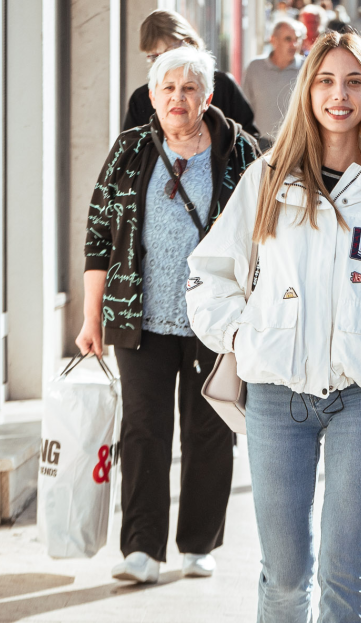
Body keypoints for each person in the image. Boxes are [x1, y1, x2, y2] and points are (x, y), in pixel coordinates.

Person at [186, 31, 361, 622]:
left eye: (354, 81)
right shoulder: (267, 180)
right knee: (285, 575)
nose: (340, 95)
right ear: (308, 92)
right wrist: (242, 336)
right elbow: (207, 275)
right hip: (277, 397)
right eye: (327, 81)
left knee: (341, 571)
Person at [77, 45, 260, 584]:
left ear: (207, 96)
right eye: (168, 88)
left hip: (216, 322)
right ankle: (141, 549)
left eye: (189, 89)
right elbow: (98, 234)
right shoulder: (130, 149)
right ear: (151, 96)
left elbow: (265, 233)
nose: (177, 98)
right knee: (143, 431)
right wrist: (92, 319)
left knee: (208, 431)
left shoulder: (238, 151)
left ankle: (199, 543)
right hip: (140, 320)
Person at [122, 9, 258, 138]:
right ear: (153, 98)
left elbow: (250, 141)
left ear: (189, 42)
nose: (177, 97)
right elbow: (129, 152)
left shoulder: (223, 85)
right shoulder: (141, 99)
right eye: (155, 57)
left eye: (169, 52)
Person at [243, 18, 305, 147]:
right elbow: (244, 107)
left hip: (296, 143)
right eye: (288, 39)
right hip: (260, 143)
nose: (294, 44)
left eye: (297, 39)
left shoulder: (307, 68)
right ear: (273, 40)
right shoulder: (255, 68)